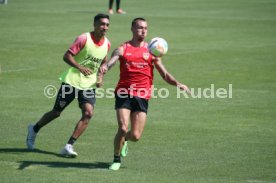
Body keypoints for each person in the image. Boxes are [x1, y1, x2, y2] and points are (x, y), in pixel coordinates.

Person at [99, 17, 190, 170]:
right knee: (122, 127)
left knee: (135, 136)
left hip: (142, 95)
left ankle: (125, 140)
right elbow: (113, 60)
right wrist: (105, 67)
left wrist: (178, 84)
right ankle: (116, 159)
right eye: (140, 27)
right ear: (133, 29)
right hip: (124, 93)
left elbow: (164, 74)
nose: (143, 30)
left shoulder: (152, 51)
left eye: (145, 28)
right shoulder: (123, 48)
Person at [26, 13, 110, 157]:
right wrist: (80, 67)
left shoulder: (107, 43)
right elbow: (67, 56)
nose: (105, 27)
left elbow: (103, 62)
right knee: (56, 112)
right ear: (94, 24)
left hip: (88, 85)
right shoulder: (84, 38)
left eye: (107, 25)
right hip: (72, 81)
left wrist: (100, 76)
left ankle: (69, 145)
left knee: (88, 113)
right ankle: (34, 129)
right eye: (102, 24)